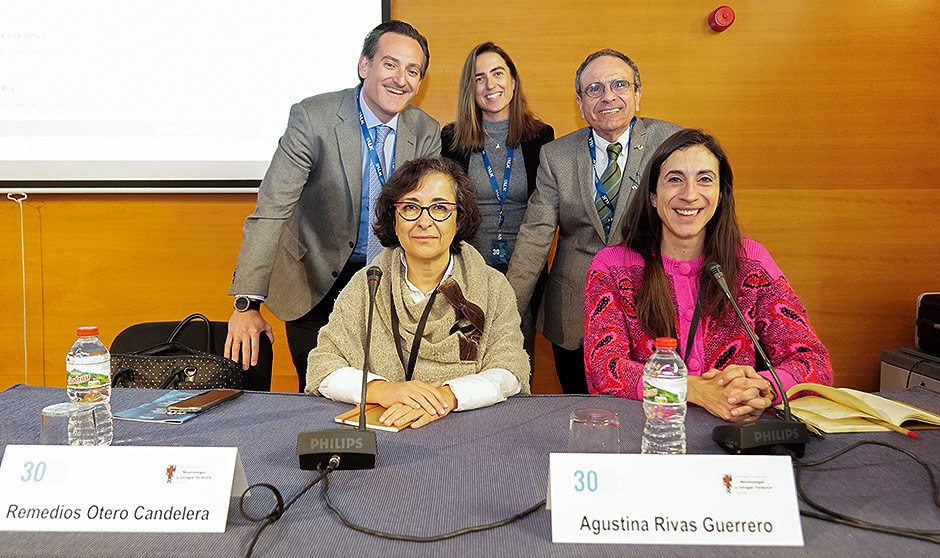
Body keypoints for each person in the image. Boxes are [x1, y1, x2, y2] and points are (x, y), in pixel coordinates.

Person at [225, 21, 442, 391]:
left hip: (387, 282)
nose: (401, 79)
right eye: (390, 64)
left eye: (413, 70)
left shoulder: (425, 131)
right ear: (365, 66)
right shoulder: (313, 118)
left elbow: (426, 219)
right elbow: (272, 211)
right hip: (313, 278)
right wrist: (247, 305)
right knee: (319, 389)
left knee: (383, 391)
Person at [583, 129, 833, 422]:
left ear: (720, 193)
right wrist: (691, 389)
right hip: (648, 436)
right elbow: (603, 370)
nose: (690, 195)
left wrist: (761, 387)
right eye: (675, 179)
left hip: (734, 435)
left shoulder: (752, 262)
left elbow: (814, 363)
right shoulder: (613, 267)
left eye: (705, 179)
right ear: (652, 195)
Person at [306, 157, 531, 429]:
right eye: (411, 208)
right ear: (394, 219)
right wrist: (382, 390)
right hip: (384, 435)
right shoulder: (367, 284)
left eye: (439, 208)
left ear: (459, 219)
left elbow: (510, 371)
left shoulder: (492, 286)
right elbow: (322, 366)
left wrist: (447, 396)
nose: (425, 222)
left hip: (471, 434)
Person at [506, 49, 680, 394]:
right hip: (574, 317)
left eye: (619, 85)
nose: (608, 96)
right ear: (581, 104)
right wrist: (506, 310)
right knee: (582, 414)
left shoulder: (671, 144)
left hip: (650, 307)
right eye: (595, 89)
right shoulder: (556, 155)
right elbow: (535, 236)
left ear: (637, 95)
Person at [440, 42, 554, 366]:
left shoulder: (540, 136)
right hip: (469, 264)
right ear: (470, 89)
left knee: (517, 353)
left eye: (498, 73)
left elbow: (543, 208)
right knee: (468, 355)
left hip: (524, 265)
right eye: (479, 78)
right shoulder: (451, 139)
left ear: (513, 81)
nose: (490, 85)